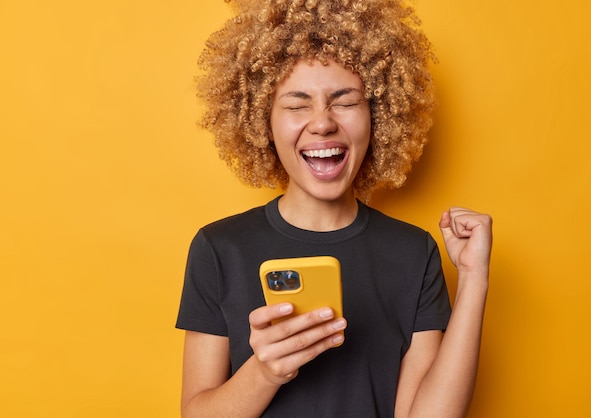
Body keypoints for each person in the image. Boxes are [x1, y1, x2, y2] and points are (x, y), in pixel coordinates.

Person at [175, 0, 493, 417]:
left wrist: (473, 279)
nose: (322, 123)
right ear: (261, 120)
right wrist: (266, 372)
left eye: (344, 101)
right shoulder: (219, 249)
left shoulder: (414, 252)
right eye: (296, 104)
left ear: (378, 113)